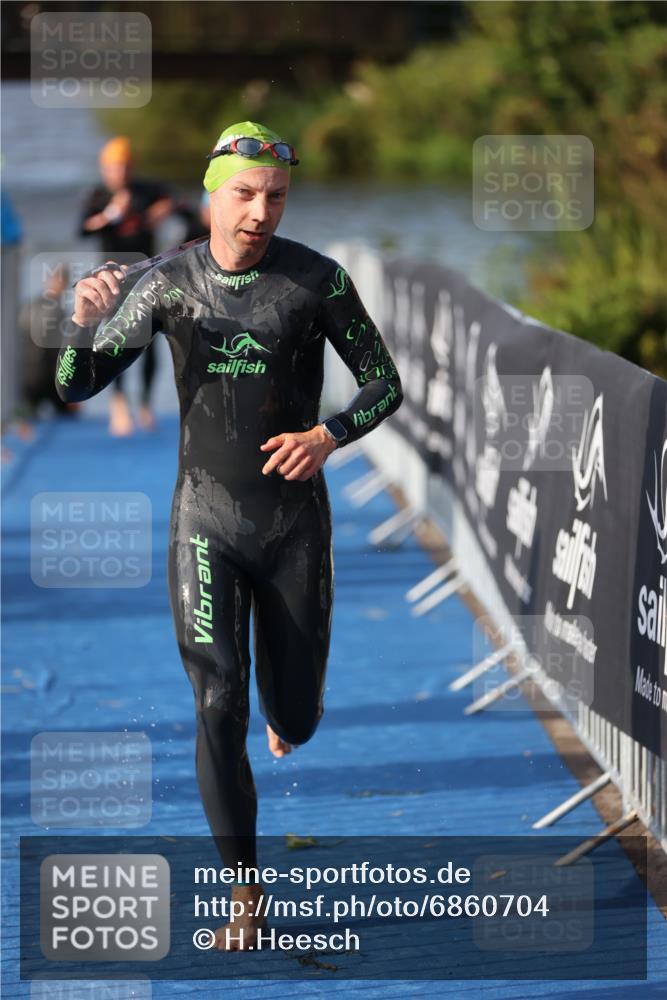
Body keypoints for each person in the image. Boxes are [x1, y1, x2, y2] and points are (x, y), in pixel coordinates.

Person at [55, 120, 403, 950]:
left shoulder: (317, 280)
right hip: (204, 520)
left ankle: (295, 705)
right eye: (245, 195)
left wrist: (327, 437)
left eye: (274, 198)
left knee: (295, 716)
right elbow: (73, 386)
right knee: (217, 701)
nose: (259, 213)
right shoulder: (166, 284)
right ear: (211, 192)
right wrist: (80, 318)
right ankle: (246, 896)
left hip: (293, 530)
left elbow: (385, 384)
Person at [79, 136, 172, 435]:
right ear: (105, 169)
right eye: (113, 167)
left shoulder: (146, 190)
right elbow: (82, 229)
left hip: (146, 274)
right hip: (113, 279)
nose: (118, 172)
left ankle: (145, 405)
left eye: (123, 166)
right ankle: (118, 405)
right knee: (113, 339)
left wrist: (160, 211)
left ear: (130, 168)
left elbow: (174, 200)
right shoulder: (98, 195)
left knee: (150, 340)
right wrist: (110, 215)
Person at [19, 263, 78, 419]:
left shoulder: (29, 306)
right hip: (45, 379)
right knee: (70, 414)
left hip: (28, 377)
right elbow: (56, 351)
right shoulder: (56, 310)